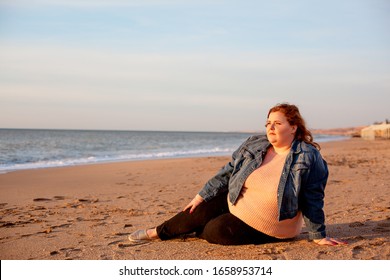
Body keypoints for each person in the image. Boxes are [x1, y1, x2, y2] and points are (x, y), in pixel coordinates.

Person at [128, 103, 347, 246]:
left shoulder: (308, 157)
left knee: (215, 231)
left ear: (294, 128)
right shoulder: (256, 144)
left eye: (277, 123)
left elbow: (313, 198)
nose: (270, 128)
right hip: (238, 202)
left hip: (271, 225)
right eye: (268, 123)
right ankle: (156, 232)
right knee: (196, 210)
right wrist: (201, 196)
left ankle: (195, 230)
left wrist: (318, 236)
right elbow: (228, 171)